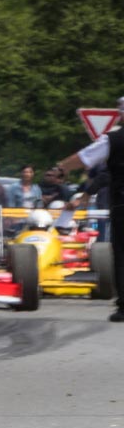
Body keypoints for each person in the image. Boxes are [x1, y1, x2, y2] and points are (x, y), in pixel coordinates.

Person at [58, 102, 124, 321]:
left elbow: (85, 157)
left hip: (122, 203)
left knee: (122, 254)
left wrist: (61, 168)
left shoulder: (113, 140)